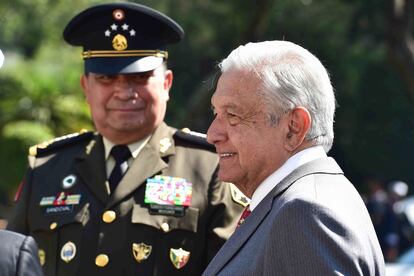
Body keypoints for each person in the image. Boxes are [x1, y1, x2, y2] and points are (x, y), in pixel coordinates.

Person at [7, 3, 246, 276]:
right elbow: (12, 262)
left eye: (139, 77)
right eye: (107, 78)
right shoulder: (46, 168)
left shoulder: (210, 167)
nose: (123, 92)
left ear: (166, 83)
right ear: (86, 86)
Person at [203, 40, 385, 275]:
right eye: (216, 113)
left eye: (232, 115)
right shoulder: (309, 199)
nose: (212, 134)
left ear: (293, 128)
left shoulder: (305, 212)